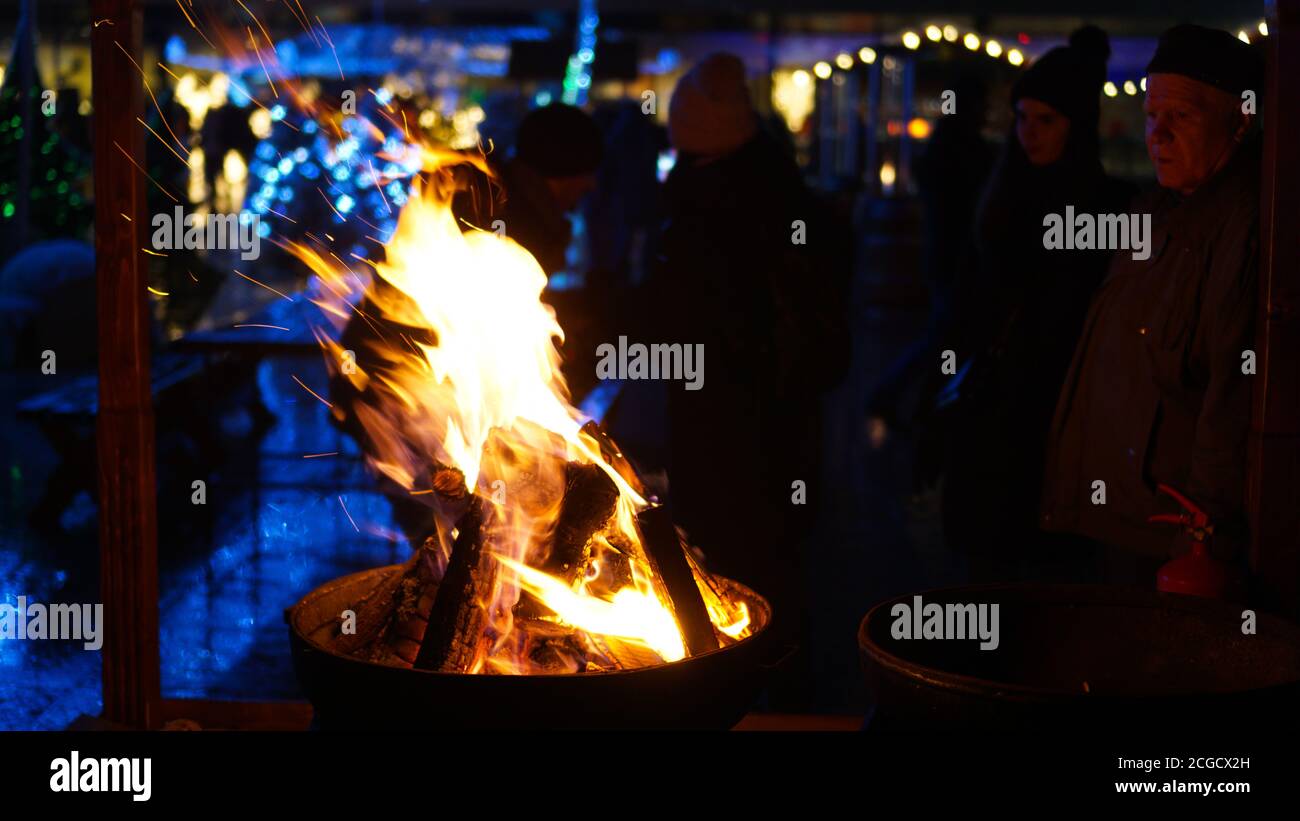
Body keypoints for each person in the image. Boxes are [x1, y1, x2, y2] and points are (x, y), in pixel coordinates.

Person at [647, 53, 851, 703]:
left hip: (736, 423)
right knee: (768, 564)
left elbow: (691, 316)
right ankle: (776, 688)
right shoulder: (768, 189)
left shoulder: (714, 205)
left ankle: (747, 695)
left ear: (699, 129)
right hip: (769, 424)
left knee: (740, 562)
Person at [1040, 25, 1265, 586]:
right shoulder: (1160, 210)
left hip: (1163, 532)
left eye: (1182, 117)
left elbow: (1231, 392)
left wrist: (1203, 537)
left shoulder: (1243, 225)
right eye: (1150, 116)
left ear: (1239, 122)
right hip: (1121, 516)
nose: (1156, 135)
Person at [331, 104, 603, 549]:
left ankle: (471, 600)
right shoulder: (493, 211)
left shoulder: (510, 204)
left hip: (417, 394)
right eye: (584, 172)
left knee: (471, 537)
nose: (589, 185)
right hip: (408, 395)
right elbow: (470, 330)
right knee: (451, 536)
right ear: (559, 169)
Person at [935, 28, 1134, 581]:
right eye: (1023, 117)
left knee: (1043, 573)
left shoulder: (1101, 206)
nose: (1029, 133)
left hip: (1057, 410)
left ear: (1075, 123)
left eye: (1046, 120)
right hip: (993, 403)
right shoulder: (1001, 193)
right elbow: (968, 301)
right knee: (989, 569)